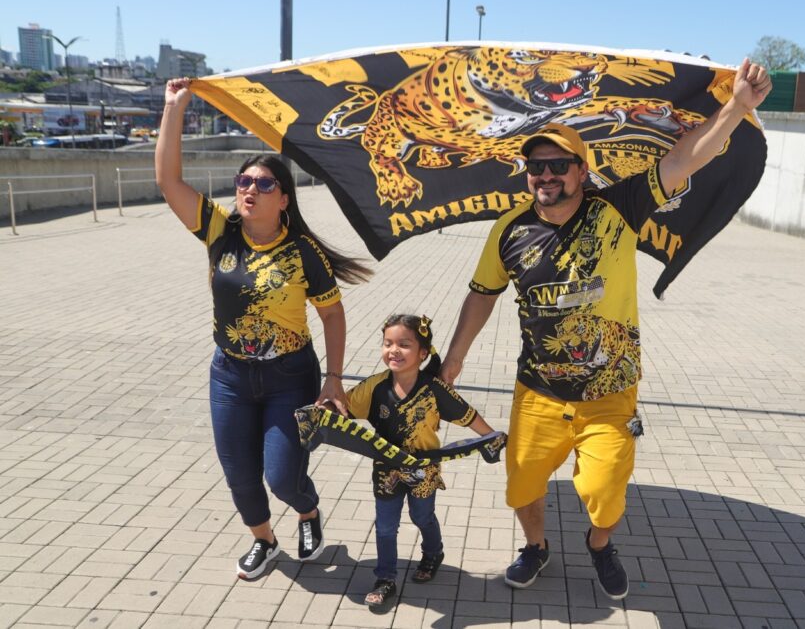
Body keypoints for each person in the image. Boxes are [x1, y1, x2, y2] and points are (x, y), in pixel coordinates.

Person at [440, 59, 772, 599]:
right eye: (536, 167)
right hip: (538, 392)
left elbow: (687, 156)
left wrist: (735, 107)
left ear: (581, 171)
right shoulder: (509, 229)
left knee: (603, 490)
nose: (545, 176)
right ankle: (536, 548)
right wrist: (454, 359)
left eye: (558, 166)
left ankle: (599, 544)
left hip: (609, 391)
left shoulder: (619, 208)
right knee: (522, 482)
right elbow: (482, 295)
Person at [155, 78, 372, 580]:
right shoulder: (218, 231)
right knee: (239, 474)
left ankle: (308, 512)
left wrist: (334, 379)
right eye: (244, 182)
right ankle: (265, 541)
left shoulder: (303, 252)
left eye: (264, 184)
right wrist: (173, 108)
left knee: (281, 475)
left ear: (284, 200)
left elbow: (332, 314)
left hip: (289, 376)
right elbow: (168, 181)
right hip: (229, 375)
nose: (250, 190)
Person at [328, 314, 498, 613]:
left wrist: (492, 437)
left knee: (422, 517)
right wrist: (321, 412)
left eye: (404, 345)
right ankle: (385, 579)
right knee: (384, 527)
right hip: (386, 470)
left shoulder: (434, 390)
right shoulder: (374, 387)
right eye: (388, 343)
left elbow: (467, 415)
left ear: (422, 353)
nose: (393, 350)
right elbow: (343, 409)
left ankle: (433, 553)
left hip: (424, 470)